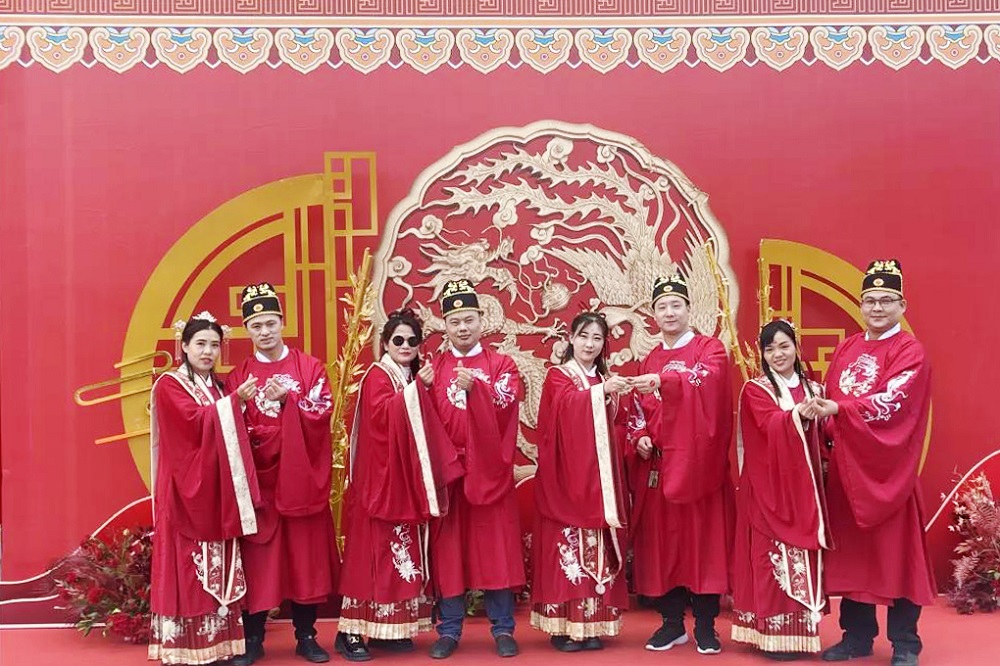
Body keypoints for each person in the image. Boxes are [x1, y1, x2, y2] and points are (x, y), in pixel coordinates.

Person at [804, 260, 934, 666]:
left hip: (887, 471)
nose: (877, 307)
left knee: (899, 559)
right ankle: (857, 637)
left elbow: (894, 401)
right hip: (847, 469)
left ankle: (906, 643)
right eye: (870, 300)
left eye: (886, 300)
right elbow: (829, 395)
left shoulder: (909, 350)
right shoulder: (848, 347)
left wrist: (840, 410)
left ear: (902, 305)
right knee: (854, 558)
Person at [335, 308, 463, 662]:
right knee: (370, 558)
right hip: (379, 482)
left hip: (405, 481)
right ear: (385, 343)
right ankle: (349, 632)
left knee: (399, 556)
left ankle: (387, 631)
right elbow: (381, 417)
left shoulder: (409, 376)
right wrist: (418, 389)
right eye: (398, 340)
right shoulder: (379, 375)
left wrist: (420, 388)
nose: (406, 346)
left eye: (412, 340)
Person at [226, 282, 340, 666]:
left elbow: (323, 411)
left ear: (282, 322)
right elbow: (232, 426)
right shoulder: (240, 375)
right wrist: (240, 405)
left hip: (300, 477)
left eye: (270, 323)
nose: (265, 332)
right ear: (247, 329)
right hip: (261, 484)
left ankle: (306, 636)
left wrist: (289, 400)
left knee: (305, 559)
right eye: (256, 326)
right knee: (261, 561)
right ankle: (253, 638)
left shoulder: (309, 367)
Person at [626, 273, 734, 656]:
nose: (669, 312)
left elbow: (707, 381)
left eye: (676, 305)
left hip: (700, 468)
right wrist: (639, 435)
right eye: (662, 307)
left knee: (702, 546)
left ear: (689, 309)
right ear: (653, 314)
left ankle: (705, 625)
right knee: (664, 547)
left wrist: (664, 381)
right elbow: (636, 409)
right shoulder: (649, 358)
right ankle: (672, 623)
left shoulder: (710, 349)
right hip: (660, 468)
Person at [148, 312, 262, 665]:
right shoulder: (169, 385)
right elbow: (190, 424)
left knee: (220, 563)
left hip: (219, 492)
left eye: (214, 345)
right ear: (184, 346)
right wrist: (234, 404)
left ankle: (220, 643)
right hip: (186, 490)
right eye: (200, 344)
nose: (208, 351)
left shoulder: (219, 387)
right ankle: (186, 646)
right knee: (188, 565)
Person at [426, 279, 525, 659]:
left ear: (482, 320)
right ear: (445, 326)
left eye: (469, 319)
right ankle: (449, 630)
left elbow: (507, 402)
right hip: (450, 474)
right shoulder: (435, 367)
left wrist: (477, 389)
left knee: (494, 549)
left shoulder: (501, 364)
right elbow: (426, 418)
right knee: (450, 553)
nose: (463, 328)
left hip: (490, 473)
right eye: (455, 322)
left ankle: (503, 628)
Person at [530, 311, 630, 652]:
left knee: (597, 547)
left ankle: (593, 623)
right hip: (566, 478)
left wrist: (613, 397)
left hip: (598, 480)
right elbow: (562, 411)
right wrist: (601, 393)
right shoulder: (559, 376)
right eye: (584, 336)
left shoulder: (603, 378)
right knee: (568, 548)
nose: (589, 344)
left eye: (597, 338)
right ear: (571, 338)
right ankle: (563, 626)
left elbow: (618, 426)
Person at [730, 320, 830, 661]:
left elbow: (828, 436)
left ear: (797, 348)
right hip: (767, 489)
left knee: (805, 557)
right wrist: (796, 415)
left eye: (784, 346)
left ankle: (802, 632)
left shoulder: (816, 389)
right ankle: (771, 634)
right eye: (770, 349)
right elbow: (766, 425)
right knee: (768, 559)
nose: (778, 354)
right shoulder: (756, 390)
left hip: (806, 490)